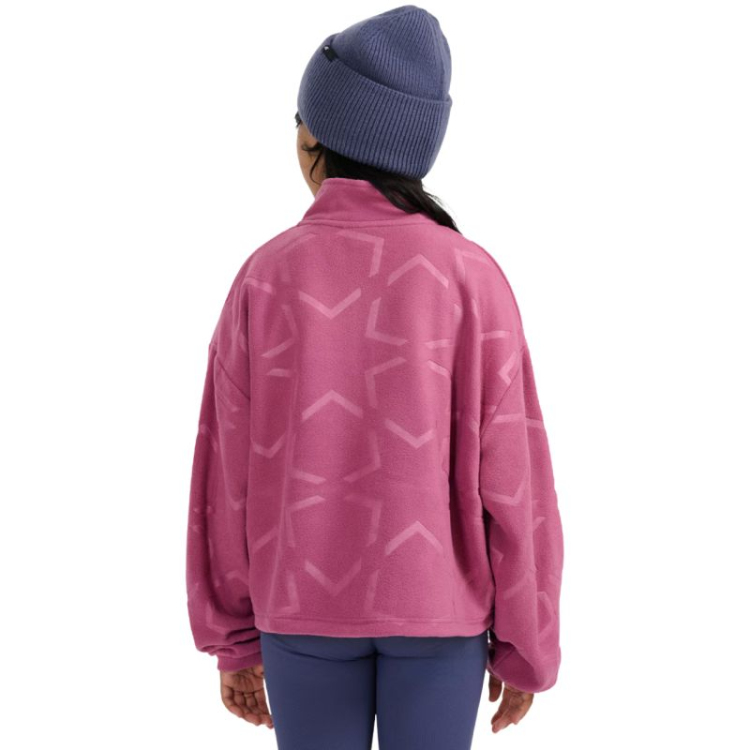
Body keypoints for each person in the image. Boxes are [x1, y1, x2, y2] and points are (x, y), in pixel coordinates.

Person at [185, 5, 564, 748]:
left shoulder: (265, 277)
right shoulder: (471, 278)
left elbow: (225, 471)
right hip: (441, 614)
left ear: (313, 138)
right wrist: (528, 642)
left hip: (299, 609)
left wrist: (231, 634)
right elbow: (516, 480)